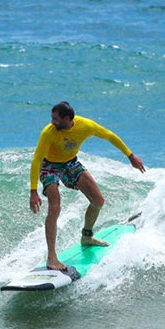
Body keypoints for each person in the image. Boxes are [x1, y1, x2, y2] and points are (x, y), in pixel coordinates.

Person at [29, 101, 145, 271]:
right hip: (49, 166)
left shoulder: (86, 126)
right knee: (55, 207)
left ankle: (87, 237)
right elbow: (36, 160)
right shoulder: (48, 132)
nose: (52, 122)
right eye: (52, 118)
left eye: (56, 119)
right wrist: (33, 191)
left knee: (98, 201)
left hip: (71, 163)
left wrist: (130, 156)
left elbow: (109, 136)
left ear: (67, 119)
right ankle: (51, 257)